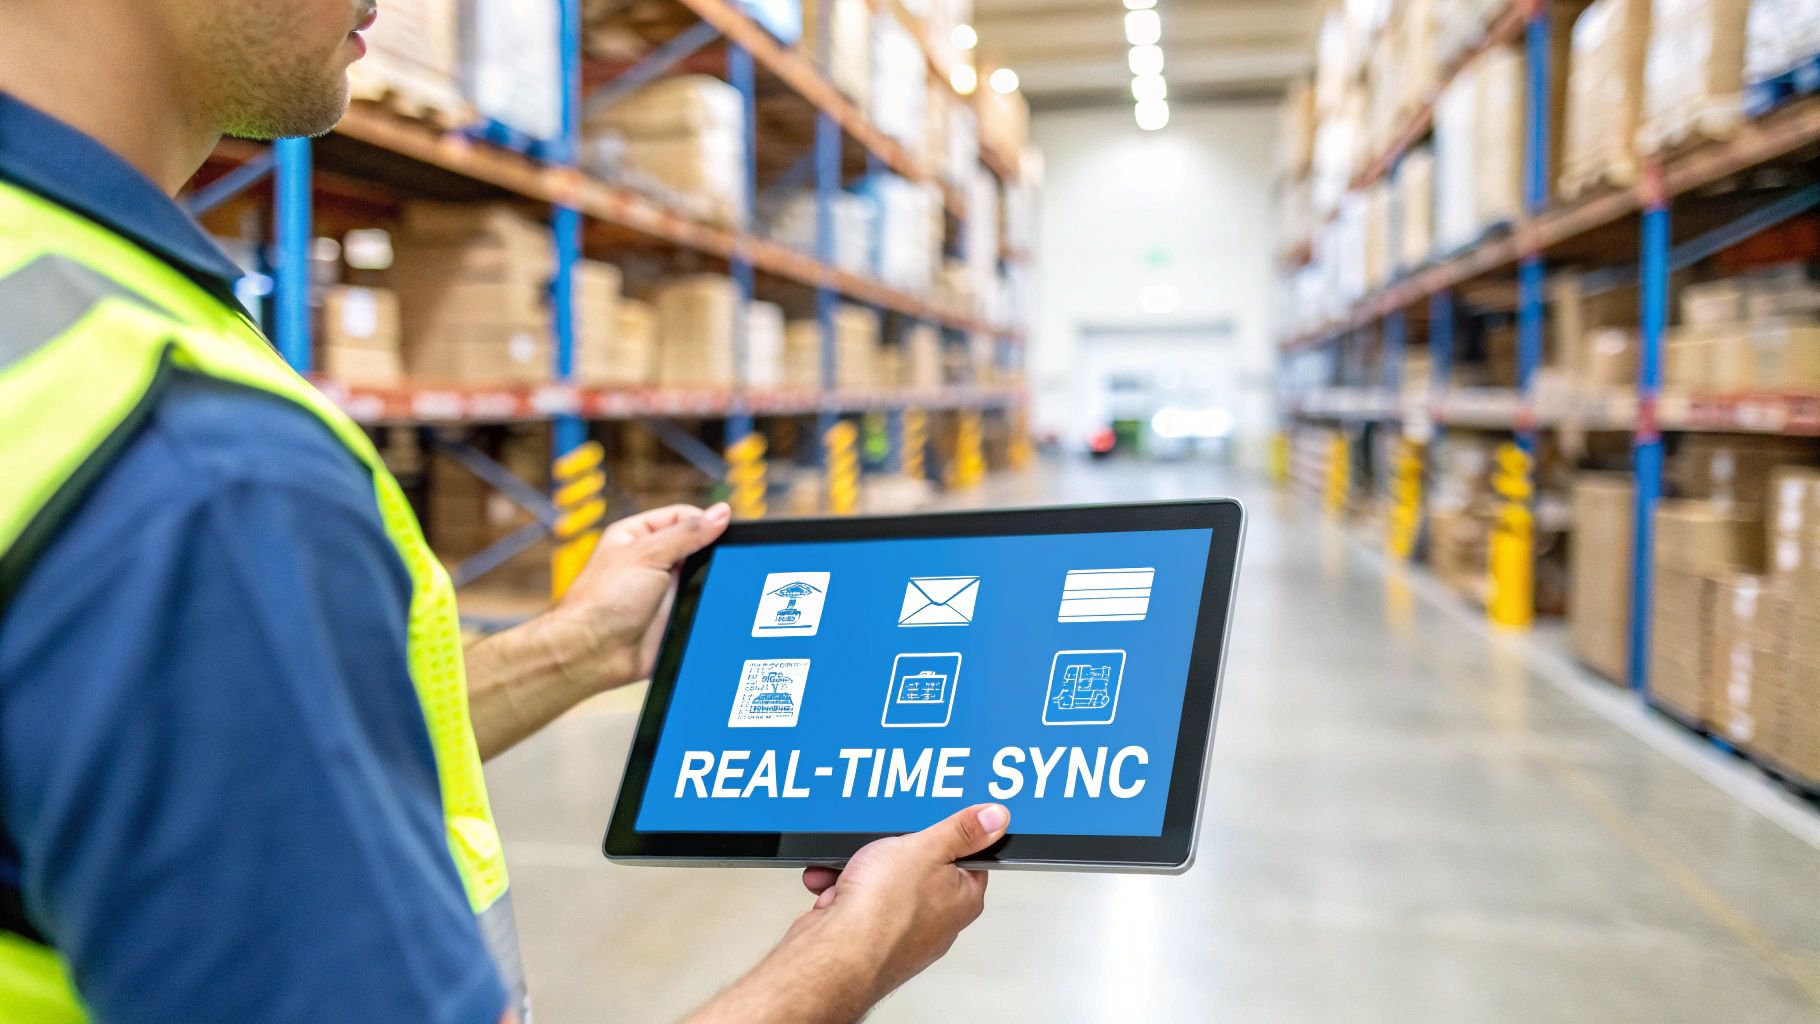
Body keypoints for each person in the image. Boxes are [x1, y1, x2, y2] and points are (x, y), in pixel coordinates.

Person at [0, 1, 1007, 1021]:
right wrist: (854, 949)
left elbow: (226, 764)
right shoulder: (196, 460)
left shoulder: (63, 299)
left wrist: (579, 646)